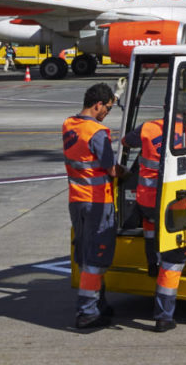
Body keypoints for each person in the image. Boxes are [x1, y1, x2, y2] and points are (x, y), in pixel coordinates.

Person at [123, 103, 186, 332]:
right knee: (174, 260)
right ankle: (164, 316)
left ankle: (151, 261)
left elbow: (127, 141)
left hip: (146, 200)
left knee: (149, 223)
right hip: (173, 203)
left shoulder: (148, 127)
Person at [63, 83, 119, 329]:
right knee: (97, 257)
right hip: (98, 201)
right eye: (107, 108)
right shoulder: (97, 132)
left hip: (77, 200)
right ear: (98, 104)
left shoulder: (69, 125)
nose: (107, 112)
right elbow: (111, 168)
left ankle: (98, 303)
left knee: (87, 252)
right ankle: (87, 311)